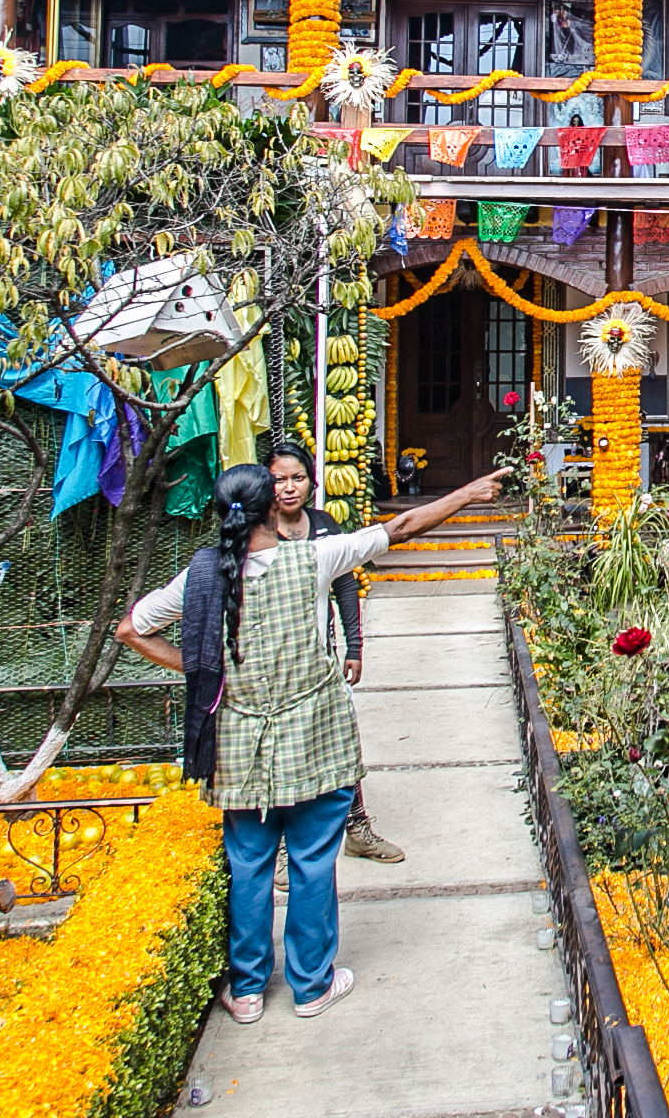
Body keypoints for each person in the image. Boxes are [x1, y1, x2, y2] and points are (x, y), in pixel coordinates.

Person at [116, 460, 508, 1024]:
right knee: (312, 861)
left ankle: (248, 992)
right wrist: (468, 490)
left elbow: (132, 630)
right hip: (315, 741)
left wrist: (207, 673)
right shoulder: (313, 558)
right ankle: (311, 986)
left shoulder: (202, 576)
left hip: (239, 748)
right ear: (271, 507)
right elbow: (400, 529)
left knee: (248, 864)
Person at [268, 439, 399, 864]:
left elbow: (346, 586)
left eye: (297, 478)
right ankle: (287, 848)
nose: (289, 488)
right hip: (270, 667)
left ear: (312, 481)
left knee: (343, 742)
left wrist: (353, 646)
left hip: (320, 660)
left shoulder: (324, 525)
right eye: (278, 480)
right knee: (281, 751)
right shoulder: (258, 532)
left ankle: (358, 828)